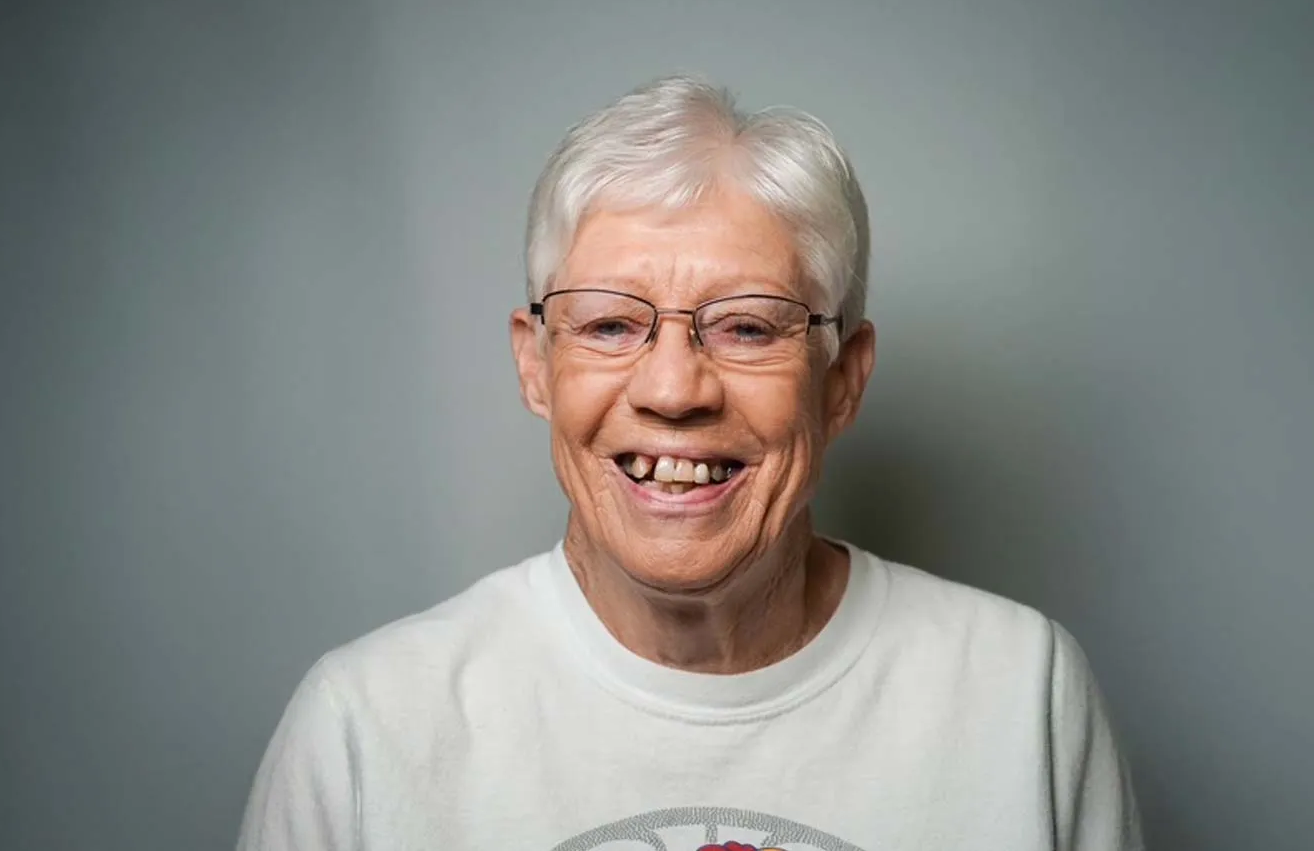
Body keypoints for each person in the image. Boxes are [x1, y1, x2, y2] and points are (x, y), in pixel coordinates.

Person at [236, 75, 1143, 851]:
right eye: (610, 324)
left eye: (748, 325)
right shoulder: (366, 727)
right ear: (535, 363)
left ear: (843, 382)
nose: (673, 388)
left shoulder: (1020, 693)